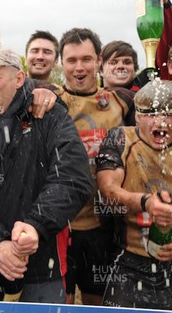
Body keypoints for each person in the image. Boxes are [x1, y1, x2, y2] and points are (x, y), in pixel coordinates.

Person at [0, 47, 92, 302]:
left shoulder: (49, 113)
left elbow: (73, 176)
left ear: (19, 79)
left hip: (39, 268)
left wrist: (36, 225)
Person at [51, 27, 135, 305]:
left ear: (99, 60)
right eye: (71, 60)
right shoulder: (48, 100)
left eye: (86, 59)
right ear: (60, 62)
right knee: (58, 303)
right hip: (58, 225)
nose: (79, 67)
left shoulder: (121, 101)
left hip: (102, 226)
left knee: (96, 301)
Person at [96, 79, 172, 310]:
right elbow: (107, 191)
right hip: (130, 263)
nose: (161, 122)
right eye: (150, 114)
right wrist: (145, 202)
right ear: (137, 117)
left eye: (169, 114)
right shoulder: (121, 137)